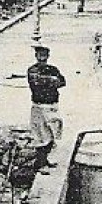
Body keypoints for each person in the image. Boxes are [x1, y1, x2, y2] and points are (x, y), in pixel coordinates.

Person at [26, 43, 66, 176]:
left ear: (48, 56)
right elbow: (36, 83)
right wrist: (51, 80)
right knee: (41, 135)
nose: (42, 58)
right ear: (36, 56)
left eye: (44, 55)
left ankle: (44, 160)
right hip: (39, 105)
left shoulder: (53, 69)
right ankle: (40, 163)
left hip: (52, 105)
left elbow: (62, 82)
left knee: (53, 133)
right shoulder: (32, 70)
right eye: (39, 55)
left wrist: (47, 80)